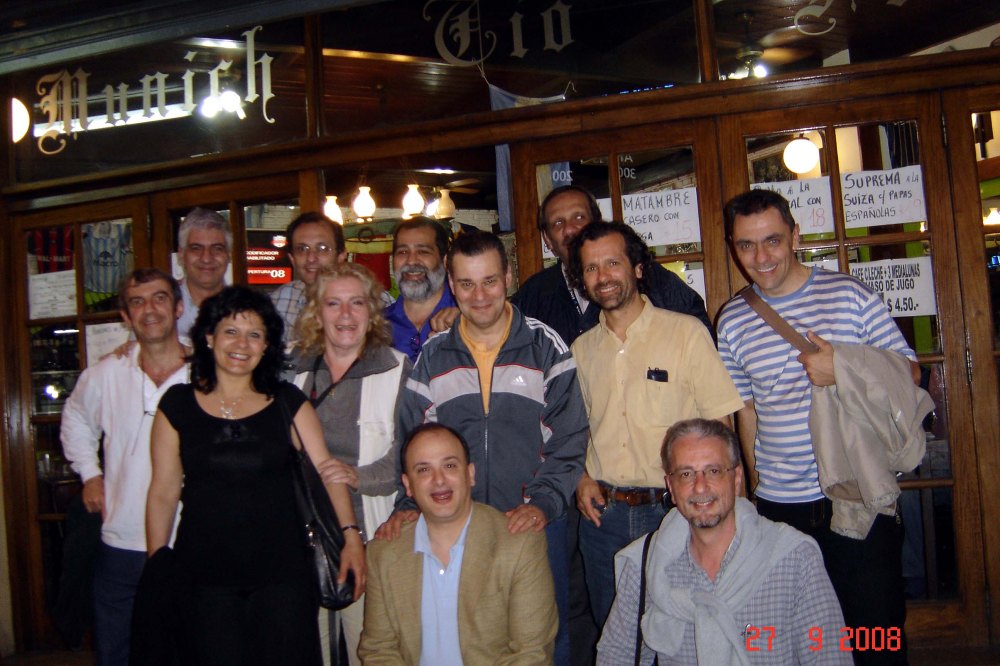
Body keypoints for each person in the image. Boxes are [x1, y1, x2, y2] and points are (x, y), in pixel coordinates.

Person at [716, 189, 918, 664]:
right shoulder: (733, 320)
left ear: (795, 236)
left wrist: (841, 367)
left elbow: (909, 374)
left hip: (855, 495)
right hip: (779, 506)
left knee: (875, 635)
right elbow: (746, 410)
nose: (761, 257)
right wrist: (755, 488)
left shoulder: (850, 296)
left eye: (772, 240)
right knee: (793, 638)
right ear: (733, 247)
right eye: (746, 245)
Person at [377, 231, 589, 666]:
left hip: (533, 520)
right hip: (456, 523)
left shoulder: (546, 348)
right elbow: (411, 438)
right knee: (468, 636)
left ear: (508, 277)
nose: (479, 296)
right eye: (467, 284)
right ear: (451, 285)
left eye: (490, 281)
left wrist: (543, 502)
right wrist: (408, 504)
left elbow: (570, 438)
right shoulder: (434, 355)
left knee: (545, 640)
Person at [145, 286, 365, 666]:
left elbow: (328, 473)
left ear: (266, 346)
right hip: (202, 577)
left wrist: (351, 537)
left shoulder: (287, 402)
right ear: (209, 337)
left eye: (254, 334)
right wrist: (156, 563)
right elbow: (163, 491)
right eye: (231, 331)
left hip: (283, 578)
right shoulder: (177, 404)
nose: (242, 344)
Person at [567, 221, 744, 630]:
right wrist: (581, 478)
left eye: (613, 263)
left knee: (686, 634)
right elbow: (574, 429)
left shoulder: (685, 334)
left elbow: (721, 428)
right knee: (614, 636)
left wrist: (731, 507)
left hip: (676, 513)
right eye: (591, 268)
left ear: (637, 267)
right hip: (603, 519)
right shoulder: (580, 350)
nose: (603, 276)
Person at [598, 419, 849, 665]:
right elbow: (615, 656)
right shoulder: (646, 564)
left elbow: (830, 656)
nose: (700, 487)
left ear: (737, 478)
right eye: (686, 474)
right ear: (671, 488)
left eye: (714, 471)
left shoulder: (794, 559)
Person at [60, 268, 190, 666]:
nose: (149, 309)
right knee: (117, 651)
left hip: (188, 538)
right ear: (125, 316)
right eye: (137, 301)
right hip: (122, 541)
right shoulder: (105, 374)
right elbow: (75, 419)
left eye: (159, 298)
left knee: (186, 649)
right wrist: (90, 473)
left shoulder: (207, 372)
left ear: (178, 308)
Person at [289, 262, 411, 666]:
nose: (345, 315)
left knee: (370, 649)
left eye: (356, 303)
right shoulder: (292, 371)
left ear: (371, 311)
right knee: (309, 648)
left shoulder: (396, 368)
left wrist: (356, 476)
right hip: (300, 534)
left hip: (373, 532)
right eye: (333, 304)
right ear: (316, 312)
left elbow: (408, 457)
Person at [359, 423, 557, 664]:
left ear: (470, 474)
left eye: (450, 465)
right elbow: (379, 651)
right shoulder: (383, 553)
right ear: (408, 485)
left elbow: (531, 653)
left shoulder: (519, 545)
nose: (438, 480)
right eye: (423, 469)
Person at [512, 184, 711, 346]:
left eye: (579, 217)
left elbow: (699, 339)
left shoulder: (646, 275)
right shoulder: (533, 296)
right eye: (558, 223)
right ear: (547, 239)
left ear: (597, 222)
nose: (570, 229)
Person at [384, 216, 457, 362]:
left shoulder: (468, 318)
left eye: (423, 251)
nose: (411, 261)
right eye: (402, 252)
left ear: (445, 261)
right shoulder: (376, 326)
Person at [271, 211, 347, 344]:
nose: (311, 258)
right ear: (292, 259)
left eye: (322, 248)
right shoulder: (278, 303)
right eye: (302, 249)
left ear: (341, 256)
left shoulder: (373, 301)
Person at [175, 207, 232, 342]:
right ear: (181, 255)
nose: (206, 258)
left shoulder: (246, 308)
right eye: (196, 248)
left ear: (229, 255)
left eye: (217, 249)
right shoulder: (160, 308)